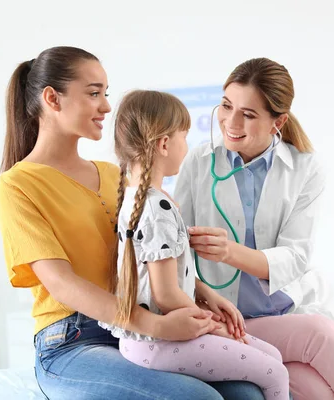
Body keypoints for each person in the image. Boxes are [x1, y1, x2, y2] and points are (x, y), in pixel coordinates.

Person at [0, 46, 266, 400]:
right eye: (94, 93)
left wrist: (204, 293)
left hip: (136, 332)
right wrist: (155, 325)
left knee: (247, 392)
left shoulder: (114, 176)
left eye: (105, 94)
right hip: (73, 342)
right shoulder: (18, 185)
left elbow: (147, 253)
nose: (107, 106)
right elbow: (61, 283)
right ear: (52, 99)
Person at [175, 57, 334, 400]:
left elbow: (295, 256)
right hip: (228, 320)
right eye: (226, 106)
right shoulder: (199, 162)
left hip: (282, 313)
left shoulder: (306, 167)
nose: (231, 121)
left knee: (318, 388)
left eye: (248, 113)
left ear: (278, 122)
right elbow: (175, 251)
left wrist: (230, 252)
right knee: (320, 338)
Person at [99, 89, 290, 399]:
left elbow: (169, 277)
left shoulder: (142, 199)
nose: (187, 147)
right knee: (275, 371)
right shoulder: (155, 209)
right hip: (159, 343)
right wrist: (212, 324)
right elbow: (166, 294)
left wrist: (208, 295)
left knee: (273, 357)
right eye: (183, 137)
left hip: (153, 338)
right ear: (164, 144)